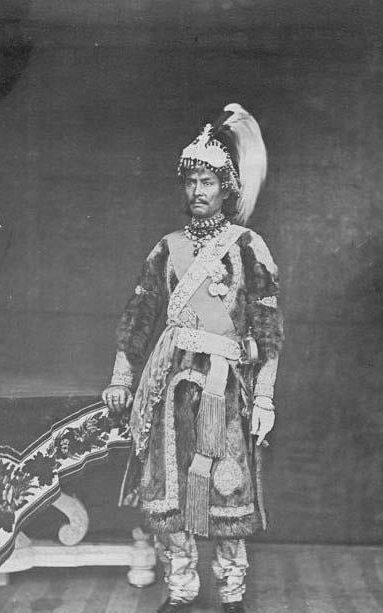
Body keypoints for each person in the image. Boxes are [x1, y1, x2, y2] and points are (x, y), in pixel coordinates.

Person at [102, 103, 284, 613]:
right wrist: (121, 378)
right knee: (170, 492)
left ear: (226, 188)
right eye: (191, 182)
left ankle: (231, 594)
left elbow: (269, 330)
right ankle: (181, 590)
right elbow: (139, 316)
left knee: (227, 491)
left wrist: (264, 397)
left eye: (208, 182)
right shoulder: (167, 248)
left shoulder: (248, 247)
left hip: (225, 389)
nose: (198, 191)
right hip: (169, 386)